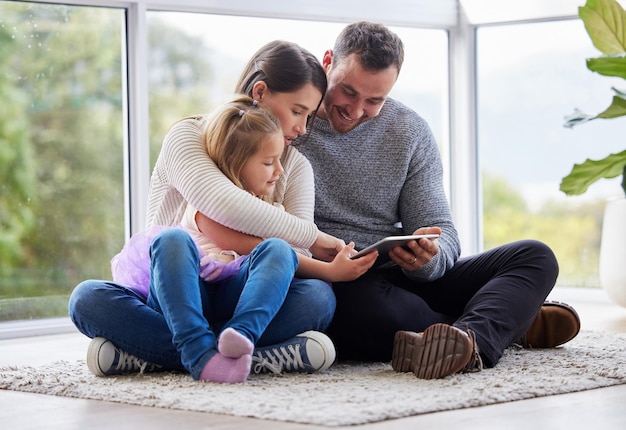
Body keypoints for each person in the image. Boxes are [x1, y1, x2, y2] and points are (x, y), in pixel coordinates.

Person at [142, 22, 580, 379]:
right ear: (328, 63)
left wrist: (427, 255)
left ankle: (469, 339)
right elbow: (234, 206)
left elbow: (443, 231)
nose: (355, 109)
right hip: (343, 279)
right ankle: (504, 324)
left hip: (402, 271)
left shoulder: (409, 132)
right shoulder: (283, 133)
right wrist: (327, 246)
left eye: (374, 100)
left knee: (535, 257)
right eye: (348, 93)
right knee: (362, 307)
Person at [68, 41, 372, 379]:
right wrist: (318, 240)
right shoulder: (190, 135)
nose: (303, 128)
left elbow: (290, 255)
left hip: (244, 295)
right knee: (86, 298)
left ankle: (164, 353)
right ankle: (247, 355)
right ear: (260, 92)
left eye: (309, 116)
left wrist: (314, 253)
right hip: (176, 292)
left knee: (317, 298)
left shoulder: (294, 167)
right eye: (298, 111)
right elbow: (225, 206)